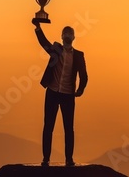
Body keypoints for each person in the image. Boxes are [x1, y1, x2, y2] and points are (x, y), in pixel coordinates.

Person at [32, 20, 88, 166]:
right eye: (66, 33)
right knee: (48, 126)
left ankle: (69, 159)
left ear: (74, 37)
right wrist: (38, 28)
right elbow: (44, 43)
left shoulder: (78, 55)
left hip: (68, 95)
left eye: (70, 34)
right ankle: (46, 159)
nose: (68, 36)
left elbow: (84, 75)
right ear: (62, 36)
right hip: (52, 92)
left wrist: (81, 89)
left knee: (69, 128)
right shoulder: (56, 50)